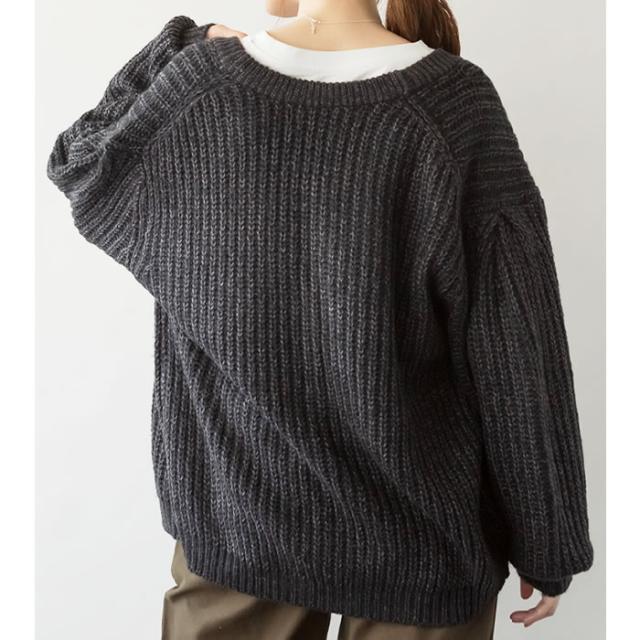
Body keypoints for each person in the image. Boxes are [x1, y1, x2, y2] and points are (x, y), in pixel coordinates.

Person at [46, 1, 594, 638]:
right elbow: (516, 345)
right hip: (420, 548)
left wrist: (181, 45)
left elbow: (80, 161)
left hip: (241, 530)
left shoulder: (197, 92)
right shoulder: (454, 105)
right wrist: (547, 539)